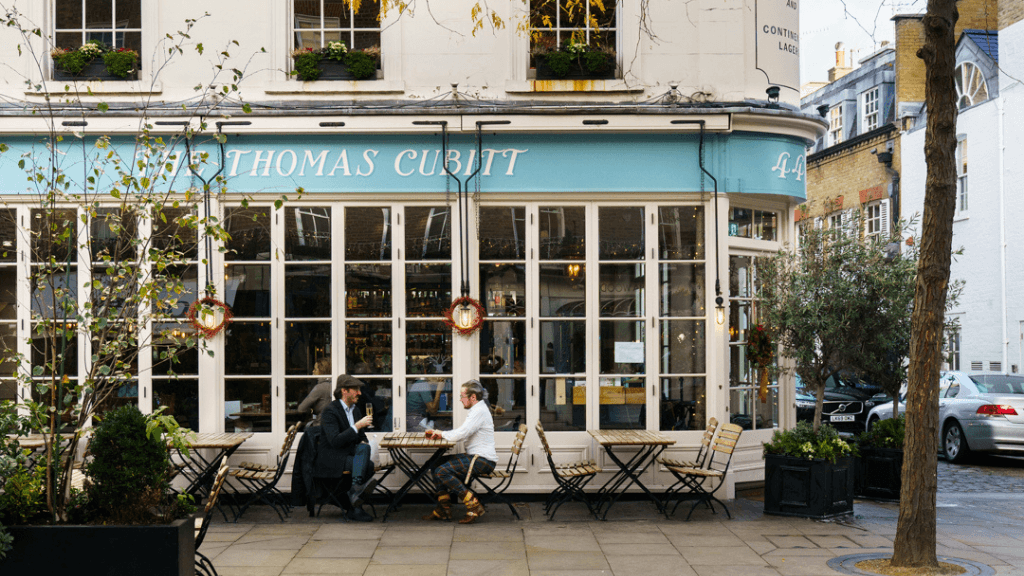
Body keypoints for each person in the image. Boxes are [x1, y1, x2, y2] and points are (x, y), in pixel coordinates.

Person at [422, 379, 497, 524]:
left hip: (482, 460)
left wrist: (441, 433)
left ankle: (473, 505)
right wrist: (442, 434)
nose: (460, 399)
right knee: (435, 463)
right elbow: (462, 432)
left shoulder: (479, 411)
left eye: (462, 396)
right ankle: (443, 509)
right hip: (476, 456)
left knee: (442, 471)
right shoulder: (477, 410)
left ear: (472, 397)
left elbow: (461, 434)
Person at [316, 375, 378, 522]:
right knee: (367, 465)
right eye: (356, 389)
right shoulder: (330, 411)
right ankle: (355, 505)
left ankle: (355, 492)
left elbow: (361, 437)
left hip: (349, 455)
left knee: (365, 449)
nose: (360, 393)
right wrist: (357, 426)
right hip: (332, 457)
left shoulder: (355, 411)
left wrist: (364, 442)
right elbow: (335, 441)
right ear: (344, 391)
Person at [297, 358, 333, 424]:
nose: (313, 371)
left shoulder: (320, 387)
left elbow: (301, 408)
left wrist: (311, 409)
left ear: (321, 371)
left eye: (315, 369)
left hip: (319, 425)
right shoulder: (332, 385)